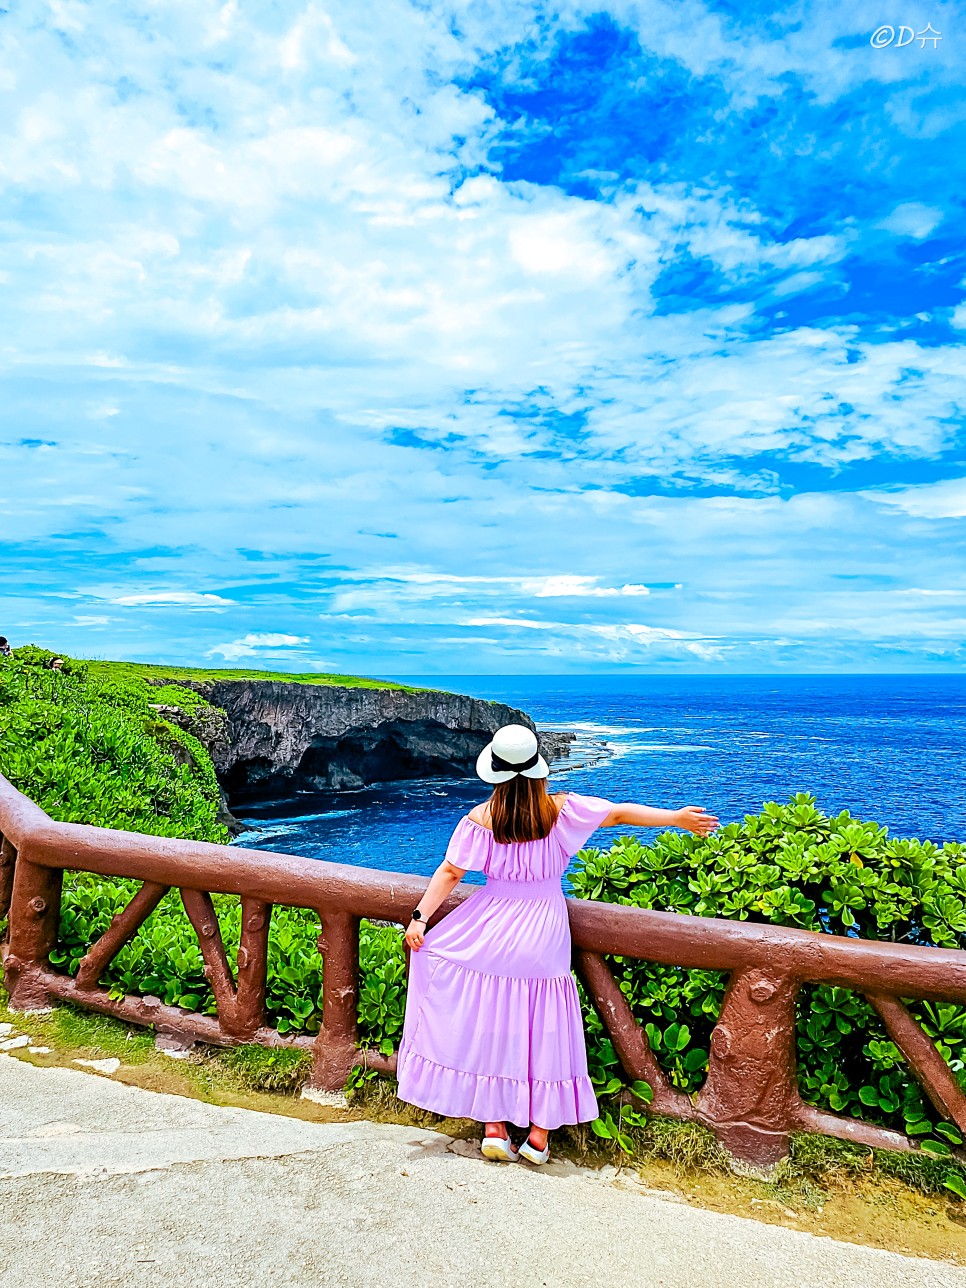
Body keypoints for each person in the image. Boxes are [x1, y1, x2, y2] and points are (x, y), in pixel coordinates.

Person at [396, 722, 719, 1165]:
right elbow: (621, 813)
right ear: (538, 772)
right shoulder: (562, 811)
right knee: (545, 1024)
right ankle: (539, 1136)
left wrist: (420, 919)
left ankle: (494, 1126)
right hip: (543, 929)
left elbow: (451, 873)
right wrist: (678, 819)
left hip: (491, 927)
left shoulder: (480, 819)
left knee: (494, 1022)